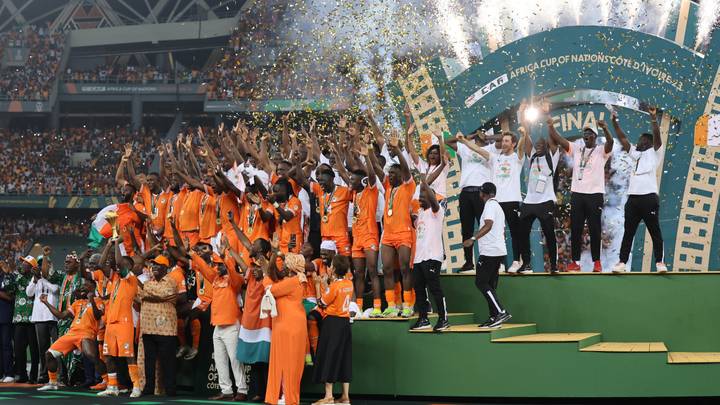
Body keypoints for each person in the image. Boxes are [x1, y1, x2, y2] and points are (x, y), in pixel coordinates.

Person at [549, 116, 614, 272]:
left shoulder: (601, 150)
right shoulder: (577, 149)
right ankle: (575, 262)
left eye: (589, 133)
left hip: (595, 195)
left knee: (594, 229)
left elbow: (610, 142)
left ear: (595, 136)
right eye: (585, 133)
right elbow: (559, 139)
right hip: (577, 194)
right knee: (576, 229)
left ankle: (597, 262)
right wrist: (551, 126)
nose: (586, 135)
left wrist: (605, 128)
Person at [186, 240, 248, 401]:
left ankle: (242, 390)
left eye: (219, 265)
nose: (216, 267)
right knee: (220, 360)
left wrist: (225, 257)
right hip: (218, 325)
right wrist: (192, 254)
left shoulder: (235, 280)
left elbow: (233, 272)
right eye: (216, 265)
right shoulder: (215, 278)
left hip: (231, 324)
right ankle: (226, 390)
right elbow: (204, 268)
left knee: (235, 359)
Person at [611, 106, 667, 273]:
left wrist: (653, 118)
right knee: (628, 233)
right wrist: (614, 122)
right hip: (633, 200)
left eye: (642, 140)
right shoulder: (635, 154)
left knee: (654, 231)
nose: (639, 142)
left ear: (649, 142)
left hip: (649, 198)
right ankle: (622, 263)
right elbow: (622, 138)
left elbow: (657, 136)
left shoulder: (656, 153)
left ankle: (660, 263)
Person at [36, 279, 105, 392]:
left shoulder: (99, 301)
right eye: (82, 285)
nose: (83, 287)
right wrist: (46, 302)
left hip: (86, 333)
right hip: (72, 333)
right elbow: (61, 315)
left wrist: (92, 299)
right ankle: (53, 382)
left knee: (92, 356)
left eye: (86, 285)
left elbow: (97, 316)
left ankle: (109, 382)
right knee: (49, 354)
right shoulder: (77, 303)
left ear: (93, 287)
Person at [462, 183, 511, 328]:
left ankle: (501, 312)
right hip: (498, 251)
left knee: (481, 282)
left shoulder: (489, 205)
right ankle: (494, 317)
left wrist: (473, 239)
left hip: (490, 251)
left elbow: (488, 225)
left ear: (483, 193)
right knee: (490, 285)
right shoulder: (498, 206)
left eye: (480, 192)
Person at [446, 131, 496, 274]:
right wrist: (471, 136)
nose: (480, 135)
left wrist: (487, 137)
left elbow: (503, 137)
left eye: (482, 134)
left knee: (485, 226)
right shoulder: (465, 147)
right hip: (466, 192)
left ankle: (490, 261)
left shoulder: (491, 148)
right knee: (466, 228)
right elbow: (448, 142)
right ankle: (468, 262)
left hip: (482, 192)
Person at [378, 136, 416, 317]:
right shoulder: (388, 188)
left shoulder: (408, 186)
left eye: (393, 173)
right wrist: (368, 153)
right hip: (388, 235)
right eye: (389, 174)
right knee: (387, 269)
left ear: (401, 175)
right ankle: (392, 304)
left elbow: (406, 168)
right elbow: (377, 170)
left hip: (404, 233)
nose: (390, 176)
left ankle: (408, 304)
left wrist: (397, 149)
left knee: (404, 269)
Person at [98, 238, 141, 397]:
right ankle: (112, 386)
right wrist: (108, 245)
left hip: (124, 323)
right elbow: (101, 265)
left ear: (129, 267)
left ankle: (136, 386)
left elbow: (119, 262)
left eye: (122, 264)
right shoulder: (115, 279)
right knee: (108, 355)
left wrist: (117, 244)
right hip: (111, 323)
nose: (118, 266)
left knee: (128, 355)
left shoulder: (131, 279)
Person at [265, 251, 308, 405]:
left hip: (288, 325)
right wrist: (274, 255)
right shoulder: (294, 279)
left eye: (285, 263)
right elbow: (273, 275)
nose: (282, 266)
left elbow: (271, 289)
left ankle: (287, 397)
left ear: (290, 267)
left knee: (288, 362)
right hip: (286, 324)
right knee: (286, 361)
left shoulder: (294, 281)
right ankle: (282, 395)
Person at [312, 255, 353, 405]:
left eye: (331, 266)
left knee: (329, 356)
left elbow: (321, 303)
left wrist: (318, 285)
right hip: (345, 323)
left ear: (334, 269)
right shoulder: (349, 283)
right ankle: (345, 397)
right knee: (344, 358)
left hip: (332, 323)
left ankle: (328, 396)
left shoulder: (335, 286)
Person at [410, 179, 449, 332]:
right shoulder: (420, 213)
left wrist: (425, 184)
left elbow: (434, 201)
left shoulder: (437, 211)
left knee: (435, 288)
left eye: (424, 195)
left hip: (433, 257)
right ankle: (423, 319)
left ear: (431, 197)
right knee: (419, 289)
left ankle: (443, 319)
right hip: (419, 258)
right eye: (420, 195)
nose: (420, 197)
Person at [137, 255, 179, 397]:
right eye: (153, 265)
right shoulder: (148, 283)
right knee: (149, 361)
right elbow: (140, 295)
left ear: (165, 268)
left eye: (158, 265)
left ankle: (170, 389)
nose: (154, 267)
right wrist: (150, 295)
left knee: (168, 361)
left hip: (166, 328)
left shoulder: (171, 281)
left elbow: (163, 295)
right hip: (148, 327)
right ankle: (149, 388)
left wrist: (148, 295)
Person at [492, 129, 531, 273]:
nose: (503, 143)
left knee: (515, 233)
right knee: (497, 232)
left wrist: (523, 136)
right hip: (497, 201)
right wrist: (464, 141)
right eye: (503, 141)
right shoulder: (496, 158)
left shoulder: (517, 158)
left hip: (512, 200)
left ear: (513, 144)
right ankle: (500, 262)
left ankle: (516, 261)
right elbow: (480, 151)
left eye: (507, 141)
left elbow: (521, 148)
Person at [25, 247, 59, 384]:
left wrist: (42, 279)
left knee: (57, 348)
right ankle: (44, 375)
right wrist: (35, 279)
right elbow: (29, 293)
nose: (42, 266)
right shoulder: (35, 278)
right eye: (40, 264)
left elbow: (55, 290)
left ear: (50, 264)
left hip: (53, 317)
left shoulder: (55, 275)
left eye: (45, 263)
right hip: (39, 317)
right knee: (42, 349)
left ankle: (60, 375)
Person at [11, 255, 40, 384]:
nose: (22, 265)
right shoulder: (18, 277)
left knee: (34, 349)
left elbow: (29, 290)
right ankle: (21, 374)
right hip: (19, 318)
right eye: (23, 263)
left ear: (32, 267)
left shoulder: (34, 278)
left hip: (32, 318)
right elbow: (10, 287)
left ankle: (33, 375)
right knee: (18, 349)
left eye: (26, 264)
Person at [0, 261, 16, 382]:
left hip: (5, 315)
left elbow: (11, 297)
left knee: (6, 345)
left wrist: (7, 273)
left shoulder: (10, 277)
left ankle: (9, 373)